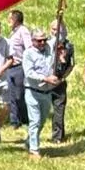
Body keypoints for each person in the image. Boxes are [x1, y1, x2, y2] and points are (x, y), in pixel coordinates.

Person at [21, 27, 59, 159]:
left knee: (42, 121)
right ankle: (34, 150)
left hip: (47, 92)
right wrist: (46, 78)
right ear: (32, 41)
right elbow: (29, 73)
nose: (43, 43)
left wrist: (60, 16)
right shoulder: (28, 54)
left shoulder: (49, 47)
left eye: (44, 40)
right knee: (35, 121)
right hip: (33, 92)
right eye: (39, 41)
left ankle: (29, 141)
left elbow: (61, 34)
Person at [50, 17, 75, 145]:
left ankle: (57, 136)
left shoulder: (69, 46)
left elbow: (71, 64)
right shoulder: (46, 44)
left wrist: (63, 78)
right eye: (54, 29)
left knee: (59, 109)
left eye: (59, 29)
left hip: (60, 81)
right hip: (46, 80)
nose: (56, 32)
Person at [6, 10, 31, 133]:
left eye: (10, 19)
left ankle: (25, 119)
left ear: (16, 19)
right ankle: (14, 120)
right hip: (10, 67)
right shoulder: (13, 33)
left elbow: (28, 48)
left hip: (19, 67)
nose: (8, 21)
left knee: (19, 95)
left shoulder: (23, 31)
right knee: (12, 95)